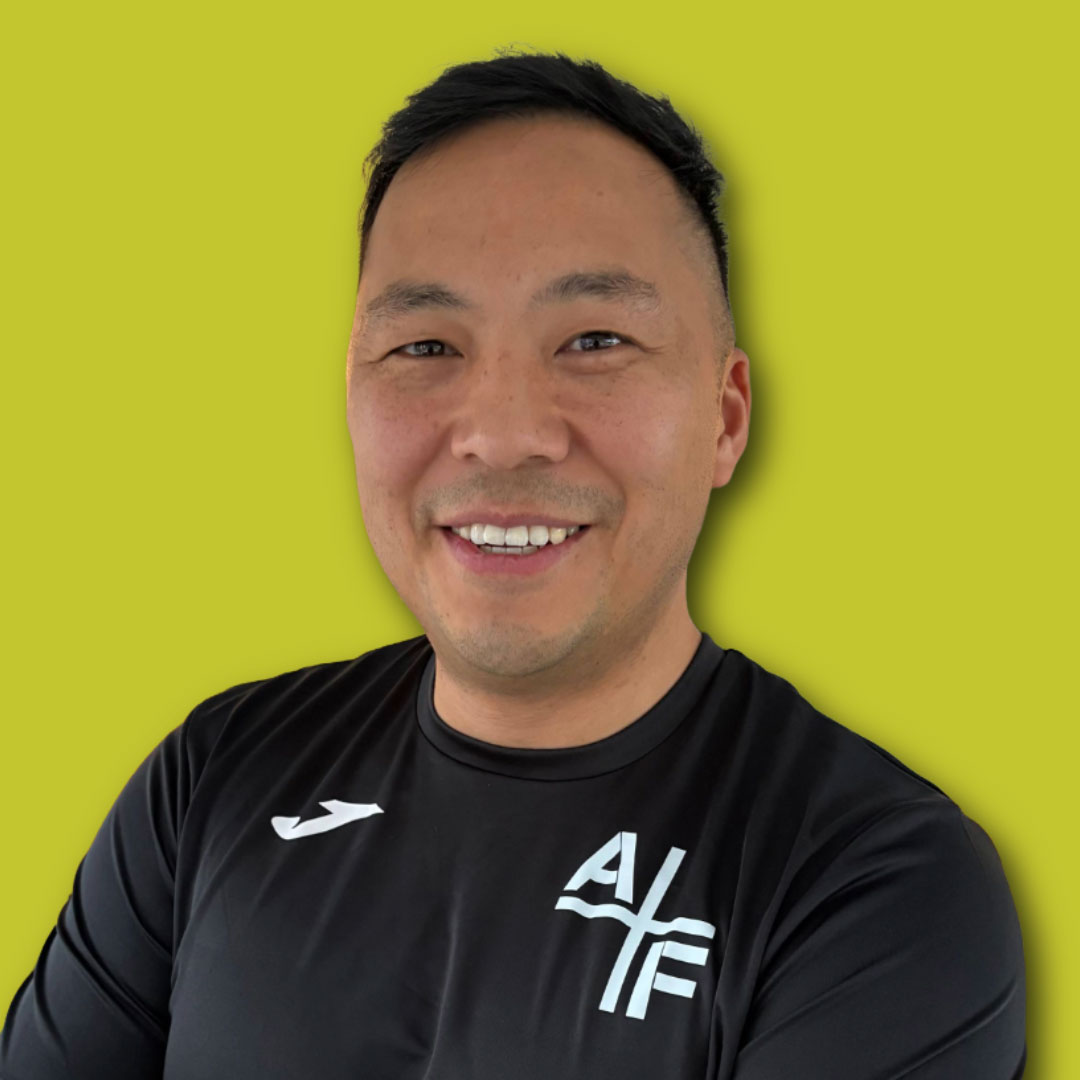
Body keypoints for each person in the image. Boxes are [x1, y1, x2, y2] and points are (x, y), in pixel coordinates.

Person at [0, 48, 1026, 1079]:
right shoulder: (215, 778)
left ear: (724, 417)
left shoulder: (878, 884)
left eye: (595, 340)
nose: (501, 435)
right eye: (426, 348)